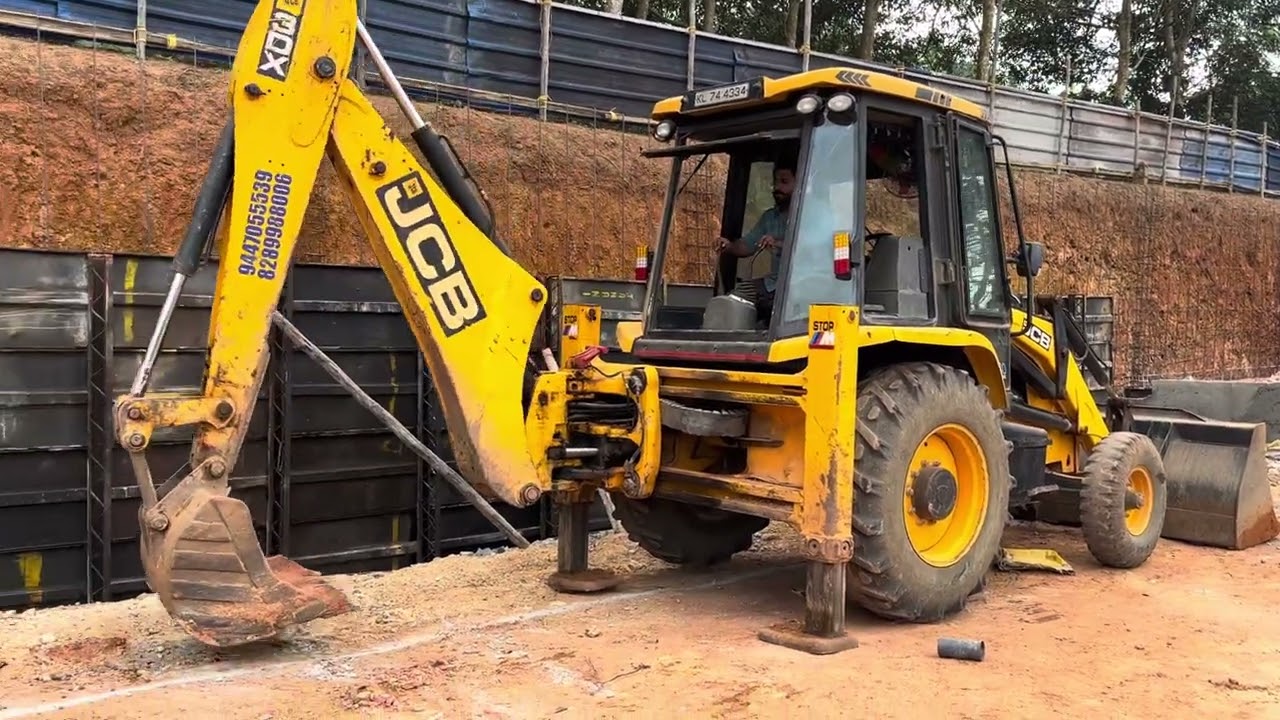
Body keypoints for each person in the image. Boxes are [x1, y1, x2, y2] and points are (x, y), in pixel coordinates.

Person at [714, 161, 796, 320]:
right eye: (775, 182)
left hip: (804, 285)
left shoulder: (814, 213)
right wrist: (728, 246)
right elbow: (747, 245)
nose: (777, 188)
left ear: (801, 184)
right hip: (773, 284)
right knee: (732, 302)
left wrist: (778, 244)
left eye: (784, 182)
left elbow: (812, 248)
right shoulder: (770, 217)